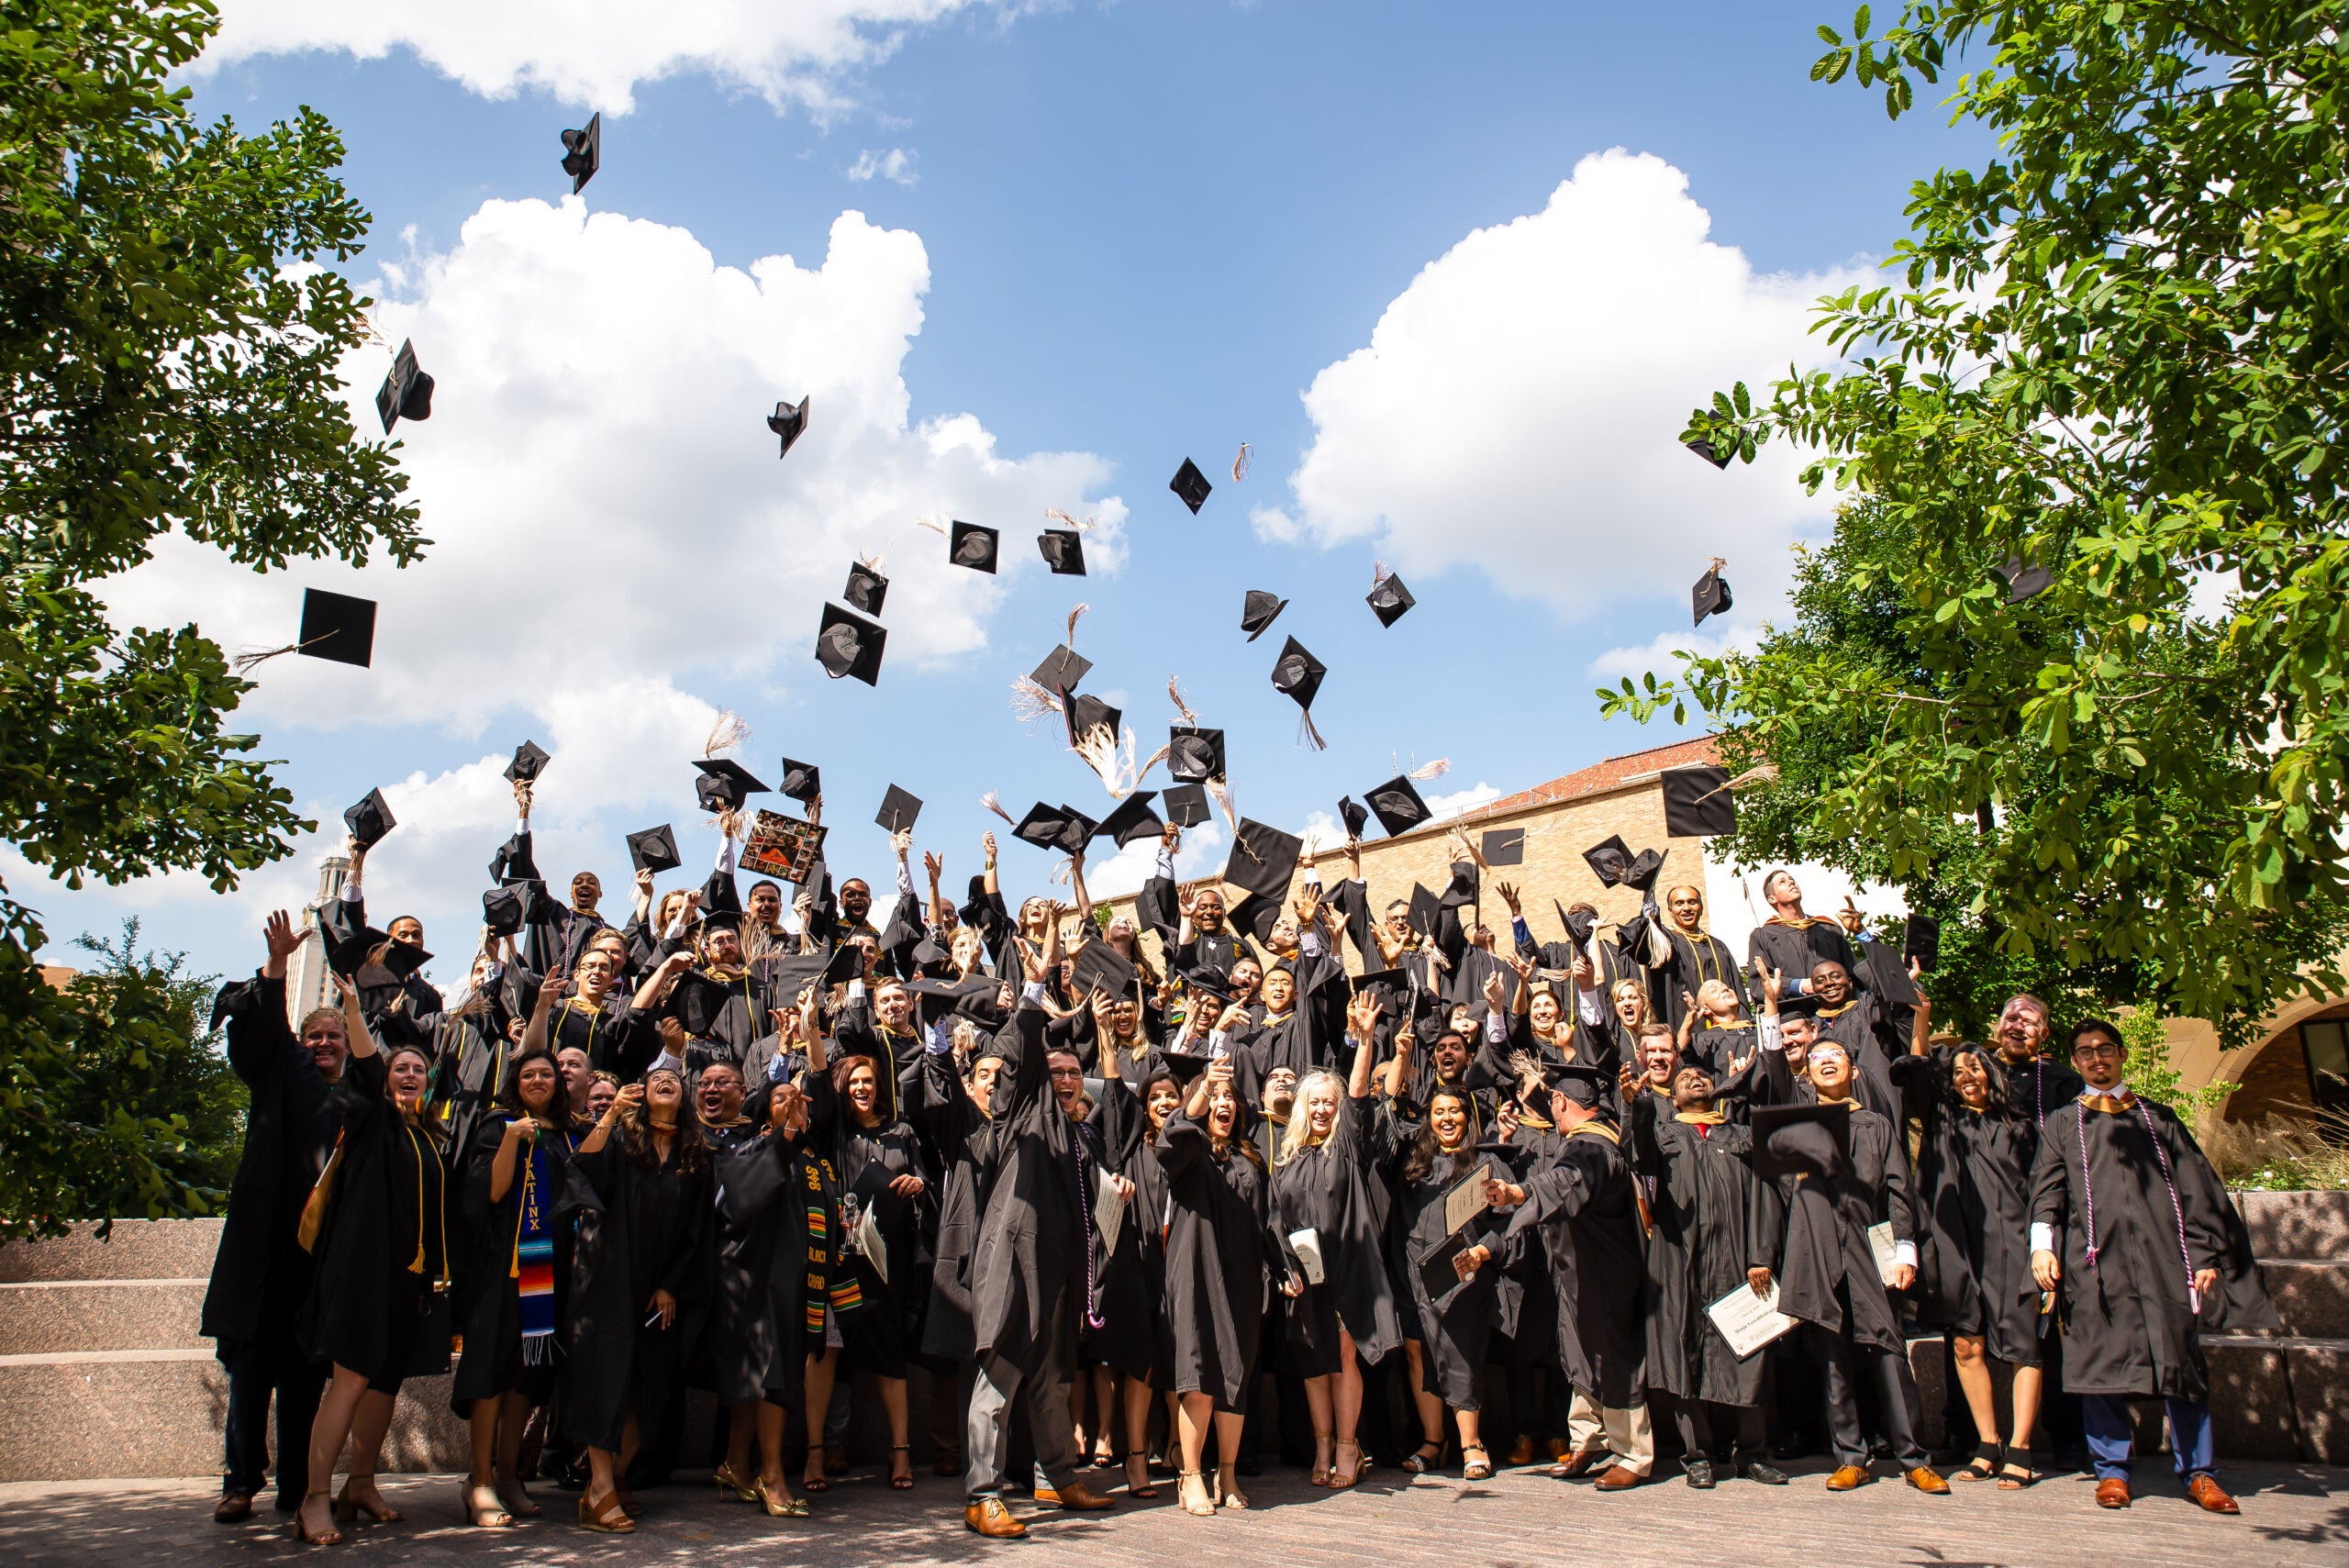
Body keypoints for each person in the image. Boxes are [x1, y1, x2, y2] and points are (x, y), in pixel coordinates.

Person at [2028, 1018, 2278, 1513]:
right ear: (2075, 1062)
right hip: (2095, 1263)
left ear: (2121, 1055)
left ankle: (2200, 1474)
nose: (2096, 1060)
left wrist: (2204, 1254)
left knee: (2181, 1364)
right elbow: (2046, 1191)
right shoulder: (2062, 1123)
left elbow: (2199, 1191)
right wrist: (2042, 1245)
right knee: (2099, 1365)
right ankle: (2112, 1473)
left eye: (2105, 1050)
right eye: (2085, 1053)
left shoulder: (2158, 1119)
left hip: (2166, 1262)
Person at [961, 913, 1119, 1538]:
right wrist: (1034, 987)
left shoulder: (1078, 1133)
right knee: (1000, 1370)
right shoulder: (1023, 1109)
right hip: (1015, 1259)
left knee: (1054, 1376)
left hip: (1056, 1266)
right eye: (1054, 1071)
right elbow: (1028, 1043)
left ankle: (1058, 1475)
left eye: (1073, 1074)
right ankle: (981, 1492)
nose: (1063, 1078)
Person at [292, 973, 455, 1545]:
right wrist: (356, 1010)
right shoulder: (369, 1119)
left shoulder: (432, 1138)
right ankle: (314, 1499)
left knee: (384, 1384)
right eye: (400, 1069)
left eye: (419, 1070)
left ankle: (361, 1483)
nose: (410, 1075)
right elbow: (362, 1066)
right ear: (384, 1082)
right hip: (361, 1275)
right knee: (351, 1380)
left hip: (407, 1281)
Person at [205, 912, 342, 1524]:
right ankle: (240, 1481)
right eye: (315, 1034)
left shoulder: (355, 1101)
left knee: (304, 1382)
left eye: (333, 1036)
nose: (324, 1043)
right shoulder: (281, 1072)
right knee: (251, 1375)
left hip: (314, 1258)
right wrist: (280, 966)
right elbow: (263, 1035)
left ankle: (295, 1484)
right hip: (262, 1249)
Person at [1765, 1038, 1946, 1495]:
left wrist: (1905, 1249)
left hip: (1868, 1249)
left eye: (1837, 1056)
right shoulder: (1794, 1126)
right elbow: (1780, 1194)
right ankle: (1851, 1456)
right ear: (1806, 1076)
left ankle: (1914, 1458)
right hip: (1815, 1250)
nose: (1827, 1062)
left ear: (1856, 1072)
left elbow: (1899, 1189)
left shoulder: (1876, 1125)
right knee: (1831, 1357)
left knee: (1889, 1350)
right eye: (1817, 1059)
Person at [559, 1067, 713, 1533]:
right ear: (643, 1095)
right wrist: (610, 1117)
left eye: (674, 1078)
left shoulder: (694, 1154)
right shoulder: (622, 1142)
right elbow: (583, 1169)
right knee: (607, 1382)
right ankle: (600, 1489)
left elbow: (697, 1230)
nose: (666, 1081)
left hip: (658, 1287)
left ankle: (617, 1475)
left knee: (645, 1388)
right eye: (655, 1078)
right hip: (608, 1278)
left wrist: (671, 1284)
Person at [1485, 1066, 1651, 1491]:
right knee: (1581, 1352)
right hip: (1580, 1273)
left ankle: (1634, 1453)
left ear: (1561, 1103)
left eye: (1553, 1103)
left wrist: (1519, 1192)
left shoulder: (1592, 1146)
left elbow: (1567, 1180)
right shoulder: (1596, 1138)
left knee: (1612, 1355)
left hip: (1603, 1273)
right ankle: (1588, 1439)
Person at [1892, 1027, 2043, 1487]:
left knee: (2024, 1347)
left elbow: (2044, 1194)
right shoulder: (1942, 1122)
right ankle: (1988, 1443)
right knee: (1964, 1343)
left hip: (2011, 1245)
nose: (1965, 1076)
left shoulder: (2022, 1129)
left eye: (1974, 1067)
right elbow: (1916, 1073)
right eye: (1957, 1071)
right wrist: (1922, 1018)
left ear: (1991, 1073)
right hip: (1954, 1245)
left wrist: (2045, 1250)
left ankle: (2021, 1446)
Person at [1624, 1060, 1787, 1487]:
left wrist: (1761, 1255)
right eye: (1685, 1079)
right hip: (1679, 1260)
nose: (1696, 1080)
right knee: (1683, 1350)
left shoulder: (1740, 1136)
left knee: (1748, 1349)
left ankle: (1752, 1452)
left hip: (1738, 1259)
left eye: (1703, 1077)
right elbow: (1639, 1155)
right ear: (1672, 1098)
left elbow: (1764, 1197)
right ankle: (1697, 1454)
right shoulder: (1663, 1135)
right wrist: (1637, 1106)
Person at [1159, 1055, 1298, 1516]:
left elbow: (1269, 1221)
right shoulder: (1189, 1153)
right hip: (1196, 1270)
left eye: (1229, 1098)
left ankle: (1228, 1472)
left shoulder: (1251, 1159)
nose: (1224, 1104)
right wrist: (1201, 1090)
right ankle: (1190, 1475)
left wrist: (1283, 1268)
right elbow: (1172, 1137)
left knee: (1235, 1378)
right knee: (1198, 1374)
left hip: (1240, 1276)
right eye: (1214, 1097)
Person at [1271, 993, 1400, 1490]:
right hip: (1306, 1275)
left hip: (1347, 1266)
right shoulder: (1288, 1156)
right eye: (1316, 1102)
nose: (1324, 1109)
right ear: (1303, 1107)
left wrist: (1364, 1039)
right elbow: (1275, 1218)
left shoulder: (1344, 1143)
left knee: (1345, 1355)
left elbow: (1362, 1092)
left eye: (1330, 1102)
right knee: (1314, 1358)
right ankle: (1322, 1442)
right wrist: (1284, 1269)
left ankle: (1348, 1445)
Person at [450, 1046, 568, 1527]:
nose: (538, 1081)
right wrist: (511, 1140)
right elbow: (491, 1192)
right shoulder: (499, 1124)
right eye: (529, 1075)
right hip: (503, 1268)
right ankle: (477, 1481)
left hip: (548, 1272)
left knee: (525, 1377)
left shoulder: (565, 1133)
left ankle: (508, 1479)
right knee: (493, 1375)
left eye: (547, 1074)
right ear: (515, 1083)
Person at [1390, 1084, 1518, 1481]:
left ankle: (1470, 1442)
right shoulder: (1416, 1162)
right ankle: (1433, 1441)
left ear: (1469, 1117)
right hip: (1414, 1273)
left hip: (1463, 1276)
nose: (1447, 1119)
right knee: (1418, 1352)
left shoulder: (1486, 1164)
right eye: (1439, 1111)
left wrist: (1484, 1251)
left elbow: (1511, 1223)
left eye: (1455, 1111)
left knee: (1460, 1355)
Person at [1743, 872, 1855, 1011]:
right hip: (1796, 1019)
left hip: (1840, 1016)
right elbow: (1760, 985)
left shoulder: (1828, 929)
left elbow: (1853, 973)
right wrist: (1799, 985)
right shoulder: (1763, 936)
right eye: (1783, 882)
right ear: (1772, 898)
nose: (1791, 883)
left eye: (1792, 880)